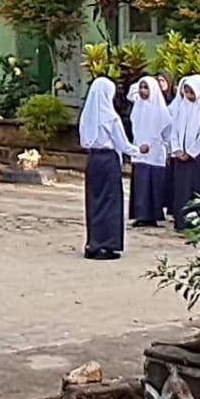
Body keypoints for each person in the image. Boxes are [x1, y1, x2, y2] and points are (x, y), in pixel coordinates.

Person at [77, 75, 131, 260]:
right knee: (109, 201)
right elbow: (122, 144)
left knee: (94, 200)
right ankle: (106, 244)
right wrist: (140, 150)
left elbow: (83, 140)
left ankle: (93, 242)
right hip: (108, 159)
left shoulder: (87, 116)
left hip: (93, 159)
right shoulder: (111, 117)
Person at [166, 75, 200, 231]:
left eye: (191, 92)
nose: (188, 96)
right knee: (181, 189)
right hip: (181, 156)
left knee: (197, 187)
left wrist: (191, 152)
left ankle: (198, 221)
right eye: (185, 92)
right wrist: (177, 149)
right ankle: (182, 221)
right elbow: (174, 129)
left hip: (196, 157)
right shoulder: (181, 107)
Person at [127, 76, 171, 227]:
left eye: (146, 88)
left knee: (153, 183)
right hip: (139, 150)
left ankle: (152, 216)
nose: (142, 91)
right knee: (140, 183)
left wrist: (154, 144)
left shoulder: (160, 109)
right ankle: (140, 215)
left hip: (155, 152)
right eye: (141, 87)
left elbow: (166, 132)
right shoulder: (138, 105)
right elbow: (130, 93)